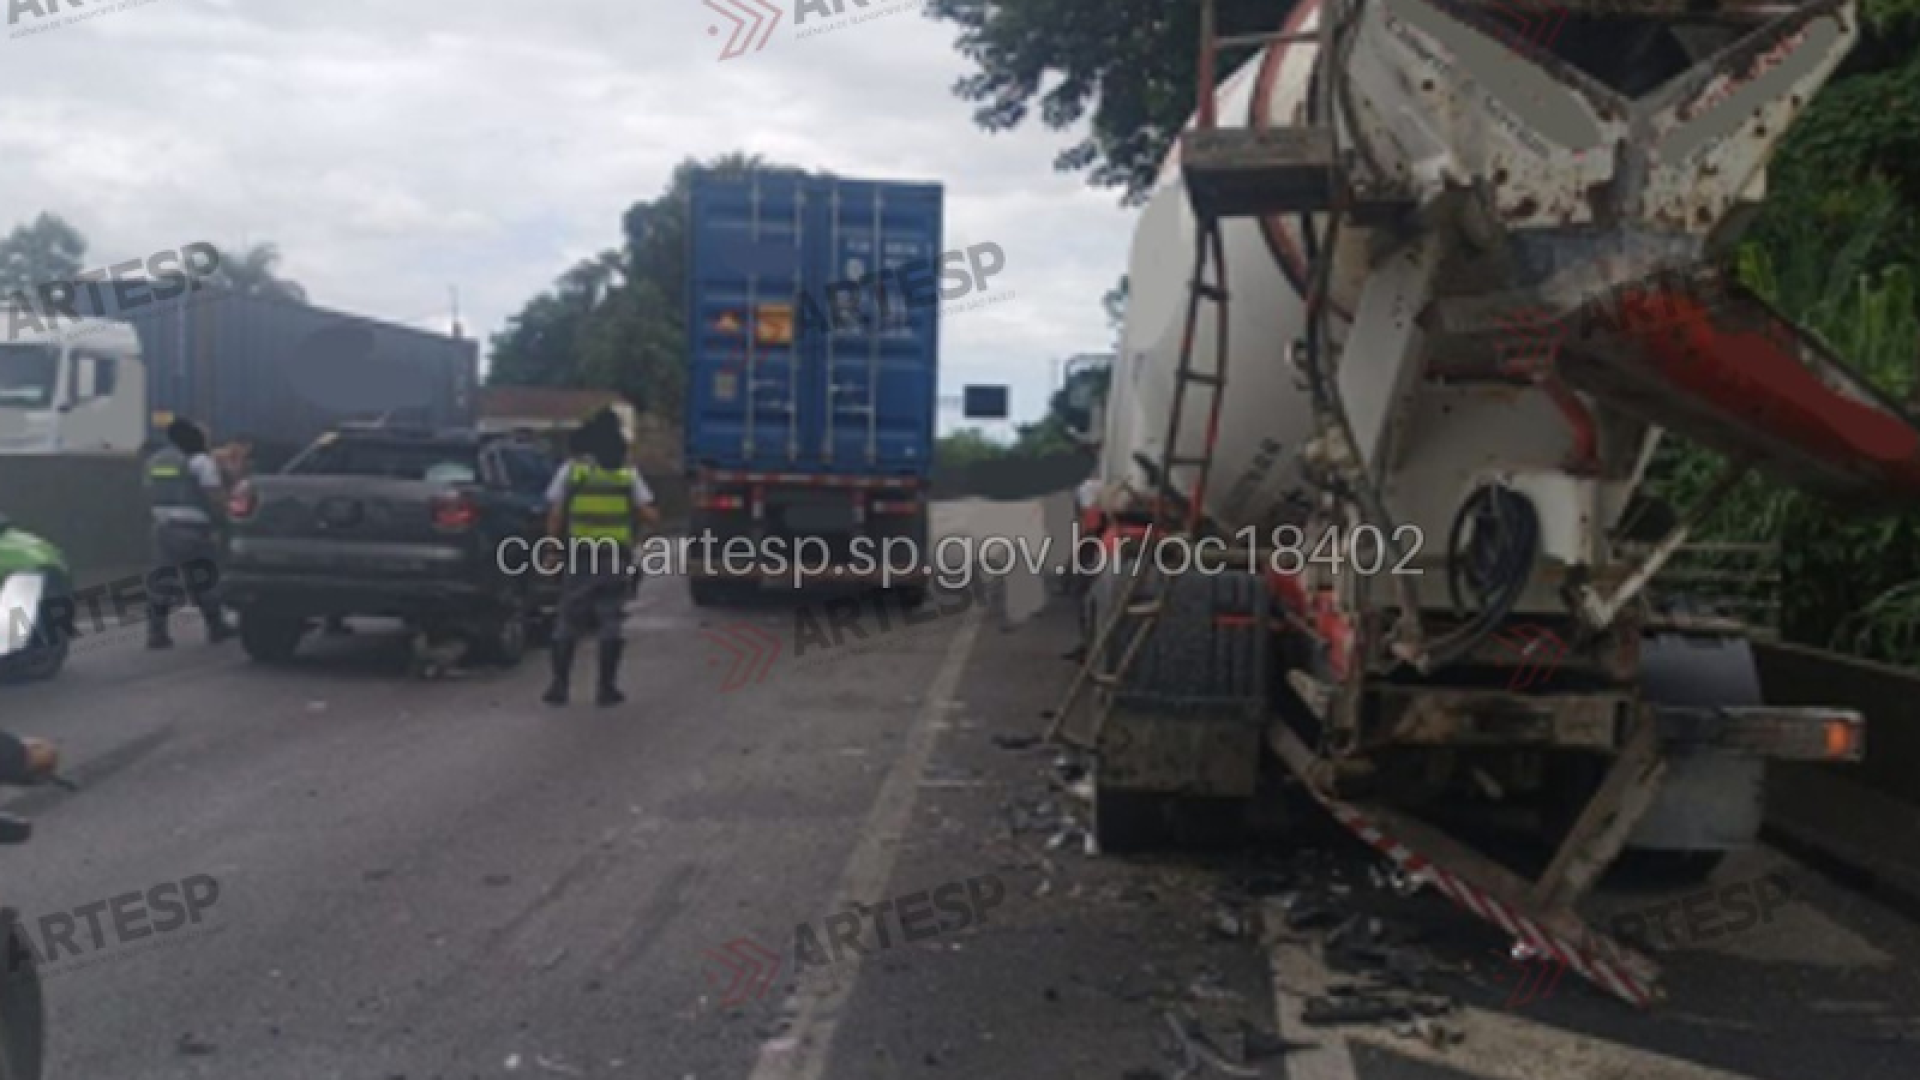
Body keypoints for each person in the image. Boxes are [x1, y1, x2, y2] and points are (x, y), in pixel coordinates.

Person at [541, 412, 658, 707]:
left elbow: (555, 514)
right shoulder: (626, 474)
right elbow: (650, 514)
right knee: (610, 618)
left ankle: (559, 686)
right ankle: (606, 689)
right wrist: (640, 531)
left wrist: (553, 550)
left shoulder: (573, 471)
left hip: (580, 555)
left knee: (569, 617)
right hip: (614, 556)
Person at [144, 417, 233, 648]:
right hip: (194, 528)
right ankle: (216, 627)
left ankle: (156, 633)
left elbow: (150, 491)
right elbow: (215, 496)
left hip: (163, 528)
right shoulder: (200, 461)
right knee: (204, 579)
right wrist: (226, 518)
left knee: (161, 581)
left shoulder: (155, 460)